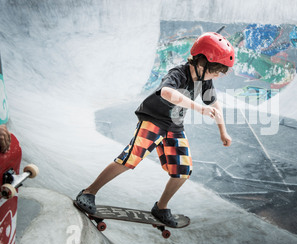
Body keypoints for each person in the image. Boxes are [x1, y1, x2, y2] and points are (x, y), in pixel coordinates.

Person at [75, 32, 235, 227]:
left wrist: (223, 131)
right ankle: (89, 192)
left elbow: (215, 104)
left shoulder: (205, 80)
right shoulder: (178, 73)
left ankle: (161, 207)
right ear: (201, 64)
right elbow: (167, 92)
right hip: (153, 120)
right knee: (129, 159)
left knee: (183, 171)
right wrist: (199, 108)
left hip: (174, 126)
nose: (216, 77)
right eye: (215, 72)